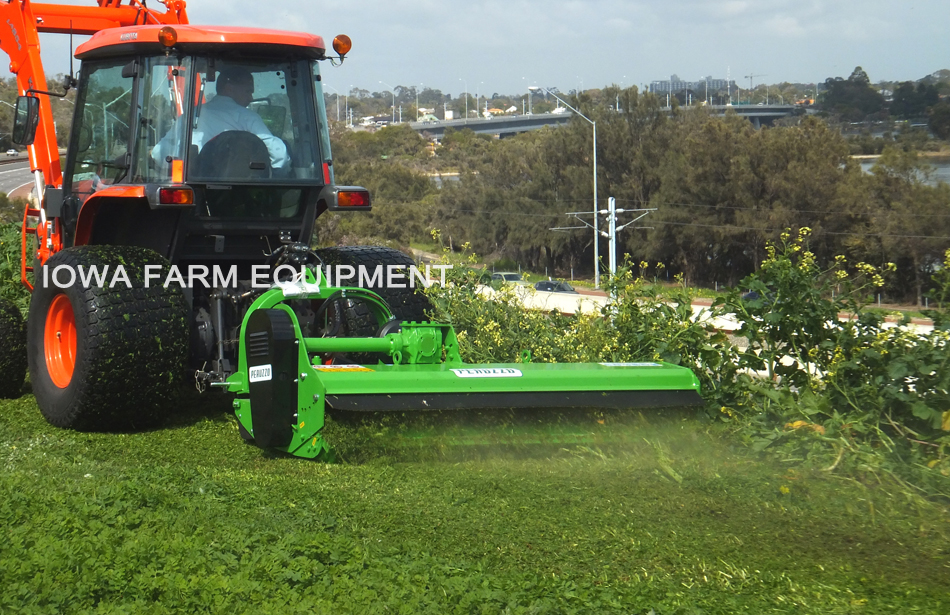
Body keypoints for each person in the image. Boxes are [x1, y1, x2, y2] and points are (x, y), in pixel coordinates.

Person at [151, 66, 289, 172]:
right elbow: (279, 156)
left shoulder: (190, 116)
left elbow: (158, 153)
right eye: (248, 91)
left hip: (195, 189)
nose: (251, 98)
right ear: (229, 88)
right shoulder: (247, 117)